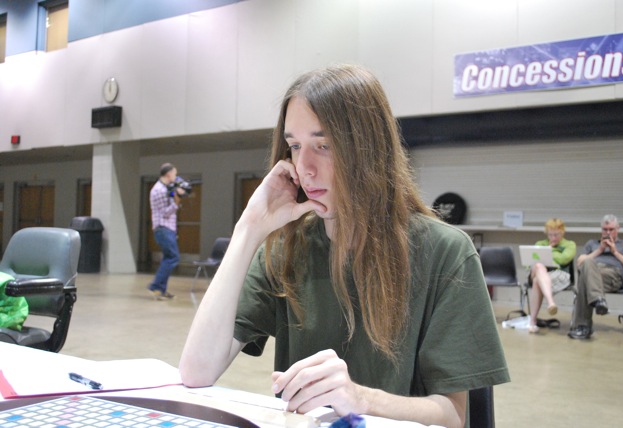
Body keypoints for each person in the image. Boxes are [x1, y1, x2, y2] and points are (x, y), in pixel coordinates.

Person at [179, 64, 509, 427]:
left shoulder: (445, 252)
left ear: (368, 149)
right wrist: (248, 229)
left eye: (323, 145)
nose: (304, 167)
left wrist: (361, 399)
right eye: (294, 146)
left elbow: (453, 415)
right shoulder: (287, 249)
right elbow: (197, 372)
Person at [568, 214, 623, 340]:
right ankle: (598, 300)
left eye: (611, 229)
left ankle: (582, 327)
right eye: (605, 229)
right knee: (587, 265)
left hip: (613, 275)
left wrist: (615, 252)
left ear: (618, 229)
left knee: (584, 279)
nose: (608, 233)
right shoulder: (592, 244)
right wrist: (600, 250)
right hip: (593, 273)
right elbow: (579, 263)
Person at [527, 218, 576, 333]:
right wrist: (549, 250)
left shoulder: (569, 245)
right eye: (550, 235)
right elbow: (529, 262)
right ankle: (551, 302)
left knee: (537, 281)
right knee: (538, 266)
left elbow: (564, 259)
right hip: (537, 272)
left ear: (562, 232)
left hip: (559, 273)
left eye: (556, 234)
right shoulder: (540, 244)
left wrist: (548, 252)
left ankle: (532, 321)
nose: (553, 238)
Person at [148, 163, 185, 300]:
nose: (176, 177)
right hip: (163, 228)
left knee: (168, 257)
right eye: (175, 174)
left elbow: (171, 197)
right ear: (169, 174)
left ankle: (161, 290)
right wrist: (177, 200)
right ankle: (156, 286)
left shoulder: (166, 188)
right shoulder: (159, 190)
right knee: (173, 257)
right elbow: (165, 212)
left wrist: (177, 193)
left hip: (167, 228)